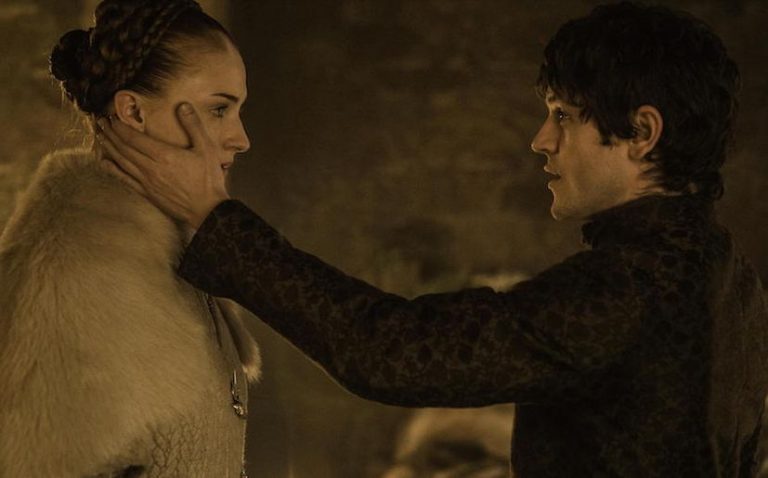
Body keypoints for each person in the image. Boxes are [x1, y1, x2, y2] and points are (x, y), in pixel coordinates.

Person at [98, 2, 768, 477]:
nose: (541, 140)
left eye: (563, 116)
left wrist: (214, 218)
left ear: (642, 134)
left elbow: (389, 350)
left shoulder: (628, 289)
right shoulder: (732, 278)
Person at [0, 1, 261, 477]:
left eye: (237, 110)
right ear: (134, 111)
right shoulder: (71, 273)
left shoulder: (177, 249)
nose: (241, 138)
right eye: (219, 109)